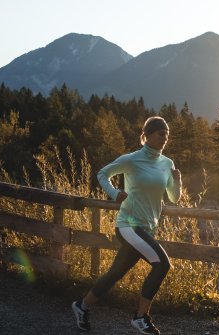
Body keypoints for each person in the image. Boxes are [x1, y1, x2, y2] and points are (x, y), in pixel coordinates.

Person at [72, 116, 181, 334]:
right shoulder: (132, 159)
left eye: (167, 135)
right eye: (161, 134)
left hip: (147, 228)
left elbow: (174, 198)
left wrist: (177, 180)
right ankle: (140, 318)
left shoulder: (167, 164)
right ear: (147, 135)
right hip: (128, 225)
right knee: (162, 264)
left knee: (115, 273)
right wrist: (114, 193)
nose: (165, 138)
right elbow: (102, 173)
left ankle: (81, 306)